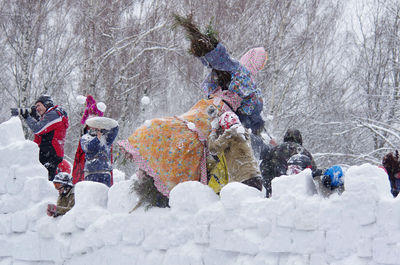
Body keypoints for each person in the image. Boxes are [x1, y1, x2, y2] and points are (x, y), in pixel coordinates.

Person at [14, 95, 68, 181]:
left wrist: (27, 117)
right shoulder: (51, 115)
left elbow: (38, 129)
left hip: (51, 154)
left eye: (39, 105)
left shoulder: (53, 114)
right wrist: (35, 117)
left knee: (46, 182)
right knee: (43, 180)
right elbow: (45, 131)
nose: (37, 108)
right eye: (36, 107)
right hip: (48, 153)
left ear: (46, 104)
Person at [208, 111, 263, 191]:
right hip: (255, 177)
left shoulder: (231, 133)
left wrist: (213, 130)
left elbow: (213, 148)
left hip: (243, 179)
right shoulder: (243, 132)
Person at [260, 128, 317, 197]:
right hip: (298, 192)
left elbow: (264, 169)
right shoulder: (304, 151)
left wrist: (269, 187)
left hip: (276, 191)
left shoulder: (274, 150)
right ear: (299, 139)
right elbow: (313, 172)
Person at [72, 95, 108, 185]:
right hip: (85, 162)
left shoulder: (104, 132)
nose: (91, 116)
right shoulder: (85, 132)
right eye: (90, 114)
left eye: (94, 114)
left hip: (99, 167)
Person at [80, 116, 119, 187]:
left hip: (105, 172)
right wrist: (97, 138)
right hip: (91, 172)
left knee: (104, 196)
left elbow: (115, 129)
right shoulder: (85, 137)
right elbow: (88, 148)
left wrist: (105, 123)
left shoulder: (106, 138)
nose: (96, 129)